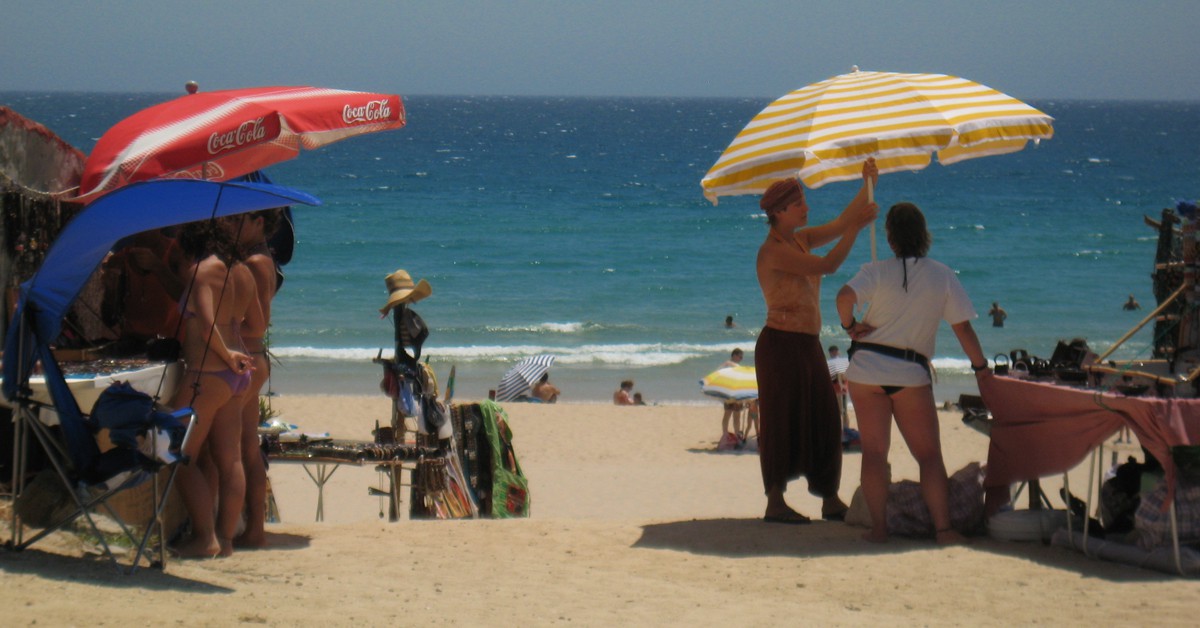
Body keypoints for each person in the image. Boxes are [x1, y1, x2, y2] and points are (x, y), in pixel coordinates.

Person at [835, 201, 988, 545]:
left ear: (890, 238)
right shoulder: (942, 275)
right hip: (909, 372)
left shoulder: (875, 270)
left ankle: (879, 529)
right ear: (924, 236)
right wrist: (980, 368)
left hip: (866, 367)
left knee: (874, 453)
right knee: (929, 455)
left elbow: (843, 296)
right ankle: (944, 529)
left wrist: (850, 326)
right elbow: (963, 329)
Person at [754, 158, 878, 525]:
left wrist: (866, 183)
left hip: (807, 343)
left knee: (824, 418)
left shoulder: (801, 239)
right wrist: (856, 230)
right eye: (799, 205)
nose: (807, 209)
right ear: (779, 212)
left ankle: (829, 498)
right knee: (781, 421)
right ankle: (775, 502)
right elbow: (828, 266)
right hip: (778, 345)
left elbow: (841, 223)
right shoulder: (773, 251)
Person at [171, 220, 262, 558]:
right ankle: (226, 541)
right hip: (236, 378)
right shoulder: (242, 273)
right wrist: (237, 355)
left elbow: (208, 327)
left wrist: (227, 355)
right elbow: (257, 324)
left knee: (180, 458)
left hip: (206, 373)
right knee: (230, 460)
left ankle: (205, 537)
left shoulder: (201, 270)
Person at [229, 209, 283, 548]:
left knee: (241, 447)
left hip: (248, 355)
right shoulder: (262, 260)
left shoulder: (254, 262)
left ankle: (252, 527)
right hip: (255, 357)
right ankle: (254, 527)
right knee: (245, 444)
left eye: (239, 221)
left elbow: (258, 324)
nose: (231, 227)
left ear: (258, 223)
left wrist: (223, 328)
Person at [719, 348, 746, 438]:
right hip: (734, 394)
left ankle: (727, 434)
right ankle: (734, 434)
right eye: (740, 357)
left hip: (731, 393)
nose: (741, 359)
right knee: (733, 415)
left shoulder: (726, 365)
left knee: (730, 414)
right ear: (734, 355)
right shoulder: (732, 365)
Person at [827, 346, 850, 430]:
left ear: (830, 353)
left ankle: (840, 429)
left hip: (836, 384)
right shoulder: (845, 360)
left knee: (839, 410)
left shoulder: (828, 362)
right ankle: (846, 428)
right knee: (844, 409)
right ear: (838, 352)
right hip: (845, 383)